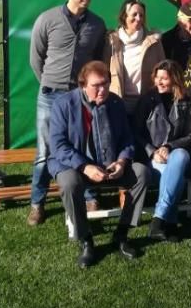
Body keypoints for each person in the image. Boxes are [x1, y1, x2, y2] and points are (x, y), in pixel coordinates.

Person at [48, 61, 150, 268]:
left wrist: (122, 162)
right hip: (74, 165)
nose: (103, 90)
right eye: (96, 85)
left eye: (106, 84)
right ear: (82, 85)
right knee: (69, 183)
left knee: (142, 173)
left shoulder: (115, 103)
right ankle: (86, 240)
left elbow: (127, 139)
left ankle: (121, 234)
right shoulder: (63, 104)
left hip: (110, 164)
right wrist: (85, 167)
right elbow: (58, 146)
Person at [27, 0, 106, 227]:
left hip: (81, 97)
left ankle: (90, 196)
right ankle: (37, 203)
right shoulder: (47, 19)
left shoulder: (97, 24)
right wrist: (51, 83)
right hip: (50, 95)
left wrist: (82, 90)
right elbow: (36, 58)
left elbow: (97, 61)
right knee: (44, 152)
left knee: (87, 147)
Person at [133, 60, 191, 242]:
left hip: (177, 153)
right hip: (152, 158)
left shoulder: (186, 101)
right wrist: (153, 152)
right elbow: (136, 132)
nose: (159, 82)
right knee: (173, 173)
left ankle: (159, 218)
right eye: (157, 77)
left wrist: (169, 146)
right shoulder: (147, 100)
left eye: (164, 78)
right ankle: (170, 221)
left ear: (175, 79)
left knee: (180, 157)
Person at [103, 0, 165, 115]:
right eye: (134, 14)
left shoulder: (153, 41)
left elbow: (163, 70)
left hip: (145, 103)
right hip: (118, 102)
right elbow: (104, 71)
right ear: (124, 16)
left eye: (141, 15)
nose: (138, 18)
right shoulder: (111, 41)